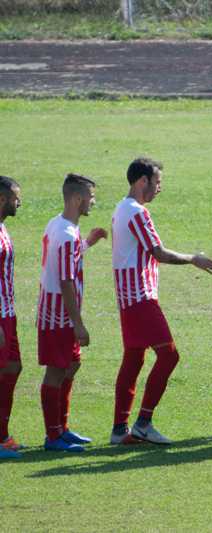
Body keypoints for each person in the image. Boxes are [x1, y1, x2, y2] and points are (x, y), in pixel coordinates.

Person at [110, 158, 212, 446]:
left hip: (127, 299)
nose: (160, 188)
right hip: (141, 299)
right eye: (157, 182)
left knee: (133, 360)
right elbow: (158, 253)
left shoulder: (121, 209)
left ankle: (119, 429)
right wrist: (193, 259)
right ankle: (144, 422)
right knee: (169, 356)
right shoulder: (137, 213)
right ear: (142, 181)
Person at [38, 174, 107, 452]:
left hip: (59, 312)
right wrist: (78, 324)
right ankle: (53, 436)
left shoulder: (60, 225)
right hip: (58, 315)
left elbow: (66, 260)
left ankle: (62, 429)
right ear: (77, 199)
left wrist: (88, 243)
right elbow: (66, 280)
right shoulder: (66, 234)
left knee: (71, 365)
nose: (94, 202)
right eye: (91, 197)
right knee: (56, 371)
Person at [0, 176, 22, 459]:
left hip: (9, 313)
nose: (20, 202)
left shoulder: (3, 227)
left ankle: (3, 435)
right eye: (16, 197)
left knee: (13, 367)